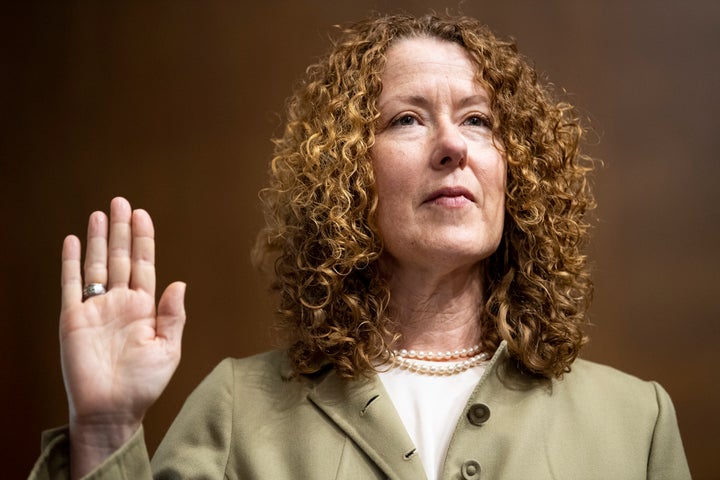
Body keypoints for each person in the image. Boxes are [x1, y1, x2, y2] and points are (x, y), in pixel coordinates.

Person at [30, 13, 690, 480]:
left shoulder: (637, 421)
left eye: (478, 120)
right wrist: (105, 430)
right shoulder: (237, 408)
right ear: (347, 174)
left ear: (515, 171)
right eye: (407, 118)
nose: (452, 145)